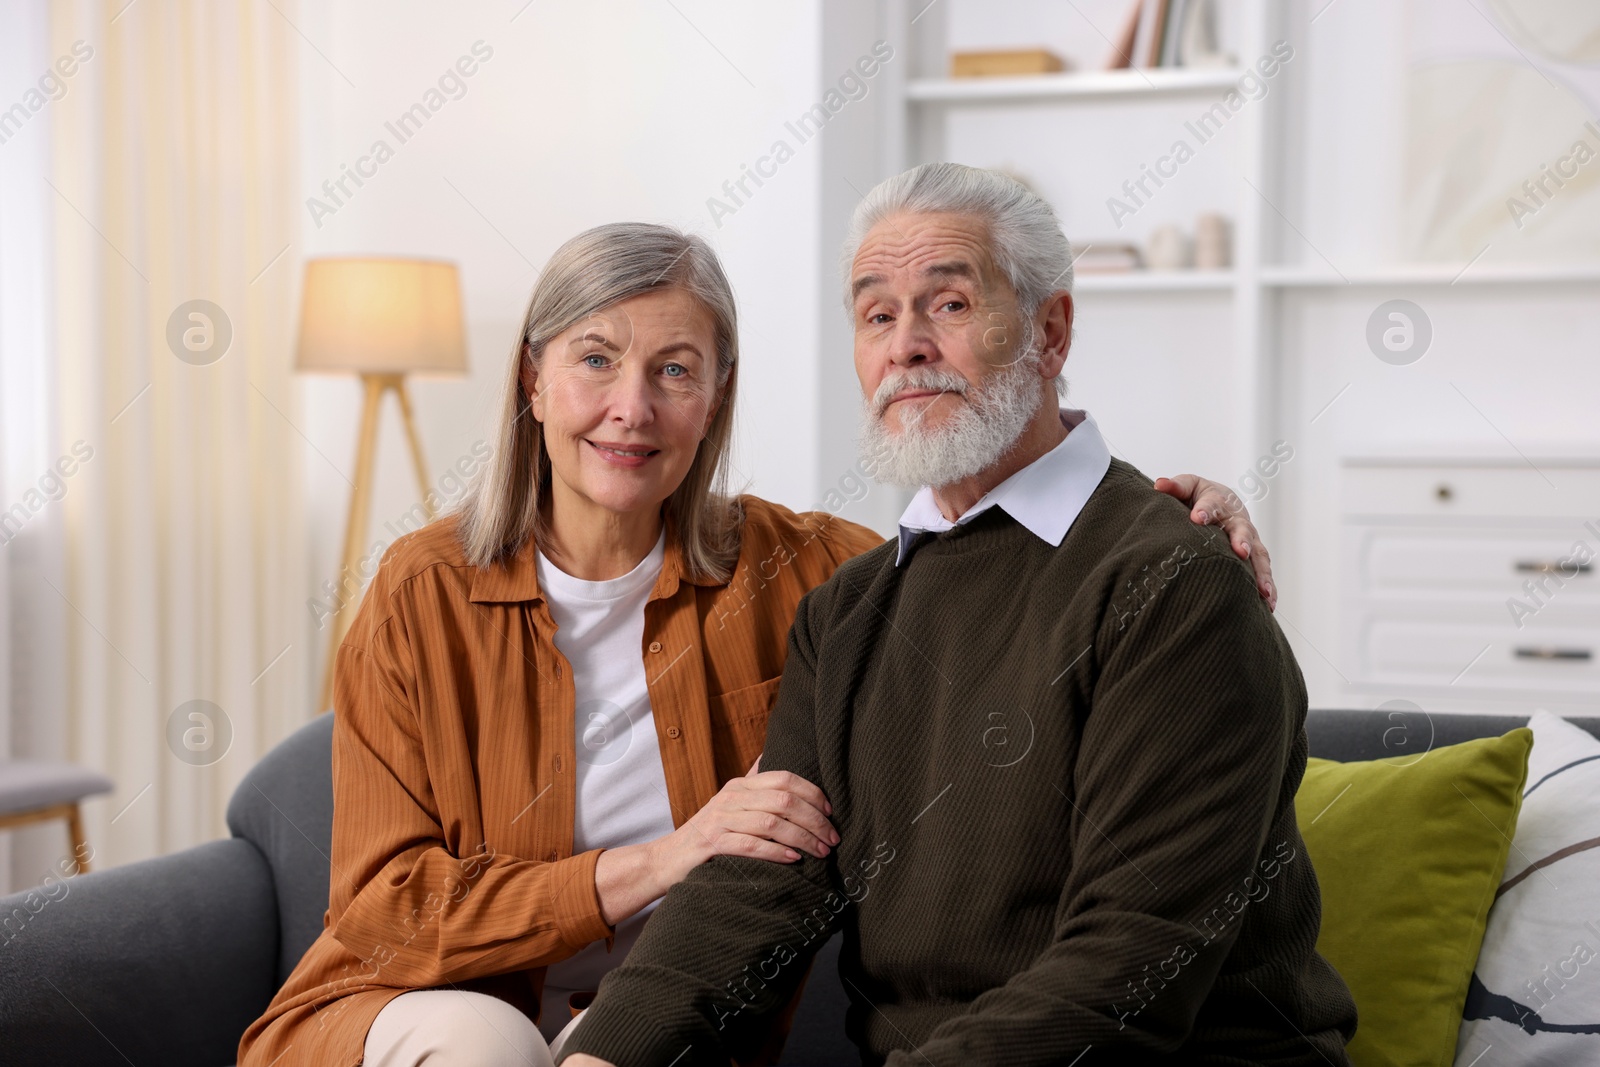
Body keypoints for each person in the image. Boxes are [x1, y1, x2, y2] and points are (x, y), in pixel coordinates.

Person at [238, 218, 1276, 1067]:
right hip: (433, 999)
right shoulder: (424, 587)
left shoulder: (809, 574)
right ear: (532, 379)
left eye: (674, 370)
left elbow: (997, 559)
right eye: (594, 359)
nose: (629, 409)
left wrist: (1169, 506)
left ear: (716, 395)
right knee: (492, 1047)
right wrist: (654, 860)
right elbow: (380, 903)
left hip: (669, 1022)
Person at [555, 165, 1357, 1067]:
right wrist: (600, 1055)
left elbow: (1130, 965)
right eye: (877, 315)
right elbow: (758, 884)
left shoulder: (1175, 584)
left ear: (1049, 332)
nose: (907, 347)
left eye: (948, 303)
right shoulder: (848, 612)